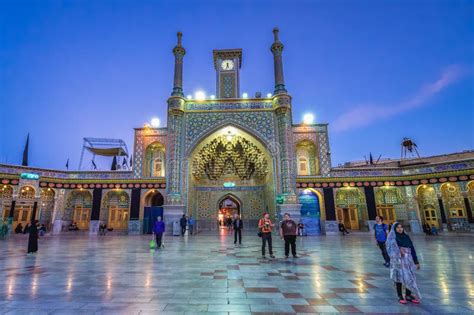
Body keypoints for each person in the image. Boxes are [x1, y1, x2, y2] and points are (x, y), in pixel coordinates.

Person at [386, 222, 421, 305]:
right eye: (398, 227)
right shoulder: (392, 238)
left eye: (401, 227)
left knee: (410, 277)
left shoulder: (406, 237)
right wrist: (398, 251)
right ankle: (400, 295)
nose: (400, 229)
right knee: (399, 277)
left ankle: (408, 295)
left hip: (408, 260)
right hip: (397, 261)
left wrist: (416, 262)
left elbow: (412, 248)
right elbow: (389, 249)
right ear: (394, 229)